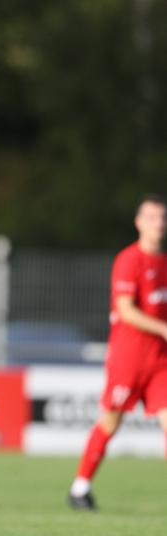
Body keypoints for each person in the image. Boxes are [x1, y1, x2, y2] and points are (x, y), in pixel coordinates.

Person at [68, 194, 167, 510]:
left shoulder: (164, 263)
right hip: (129, 357)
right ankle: (80, 487)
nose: (159, 223)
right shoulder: (129, 260)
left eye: (162, 217)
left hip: (160, 361)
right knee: (111, 422)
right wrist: (163, 328)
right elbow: (125, 310)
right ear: (139, 222)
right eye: (152, 217)